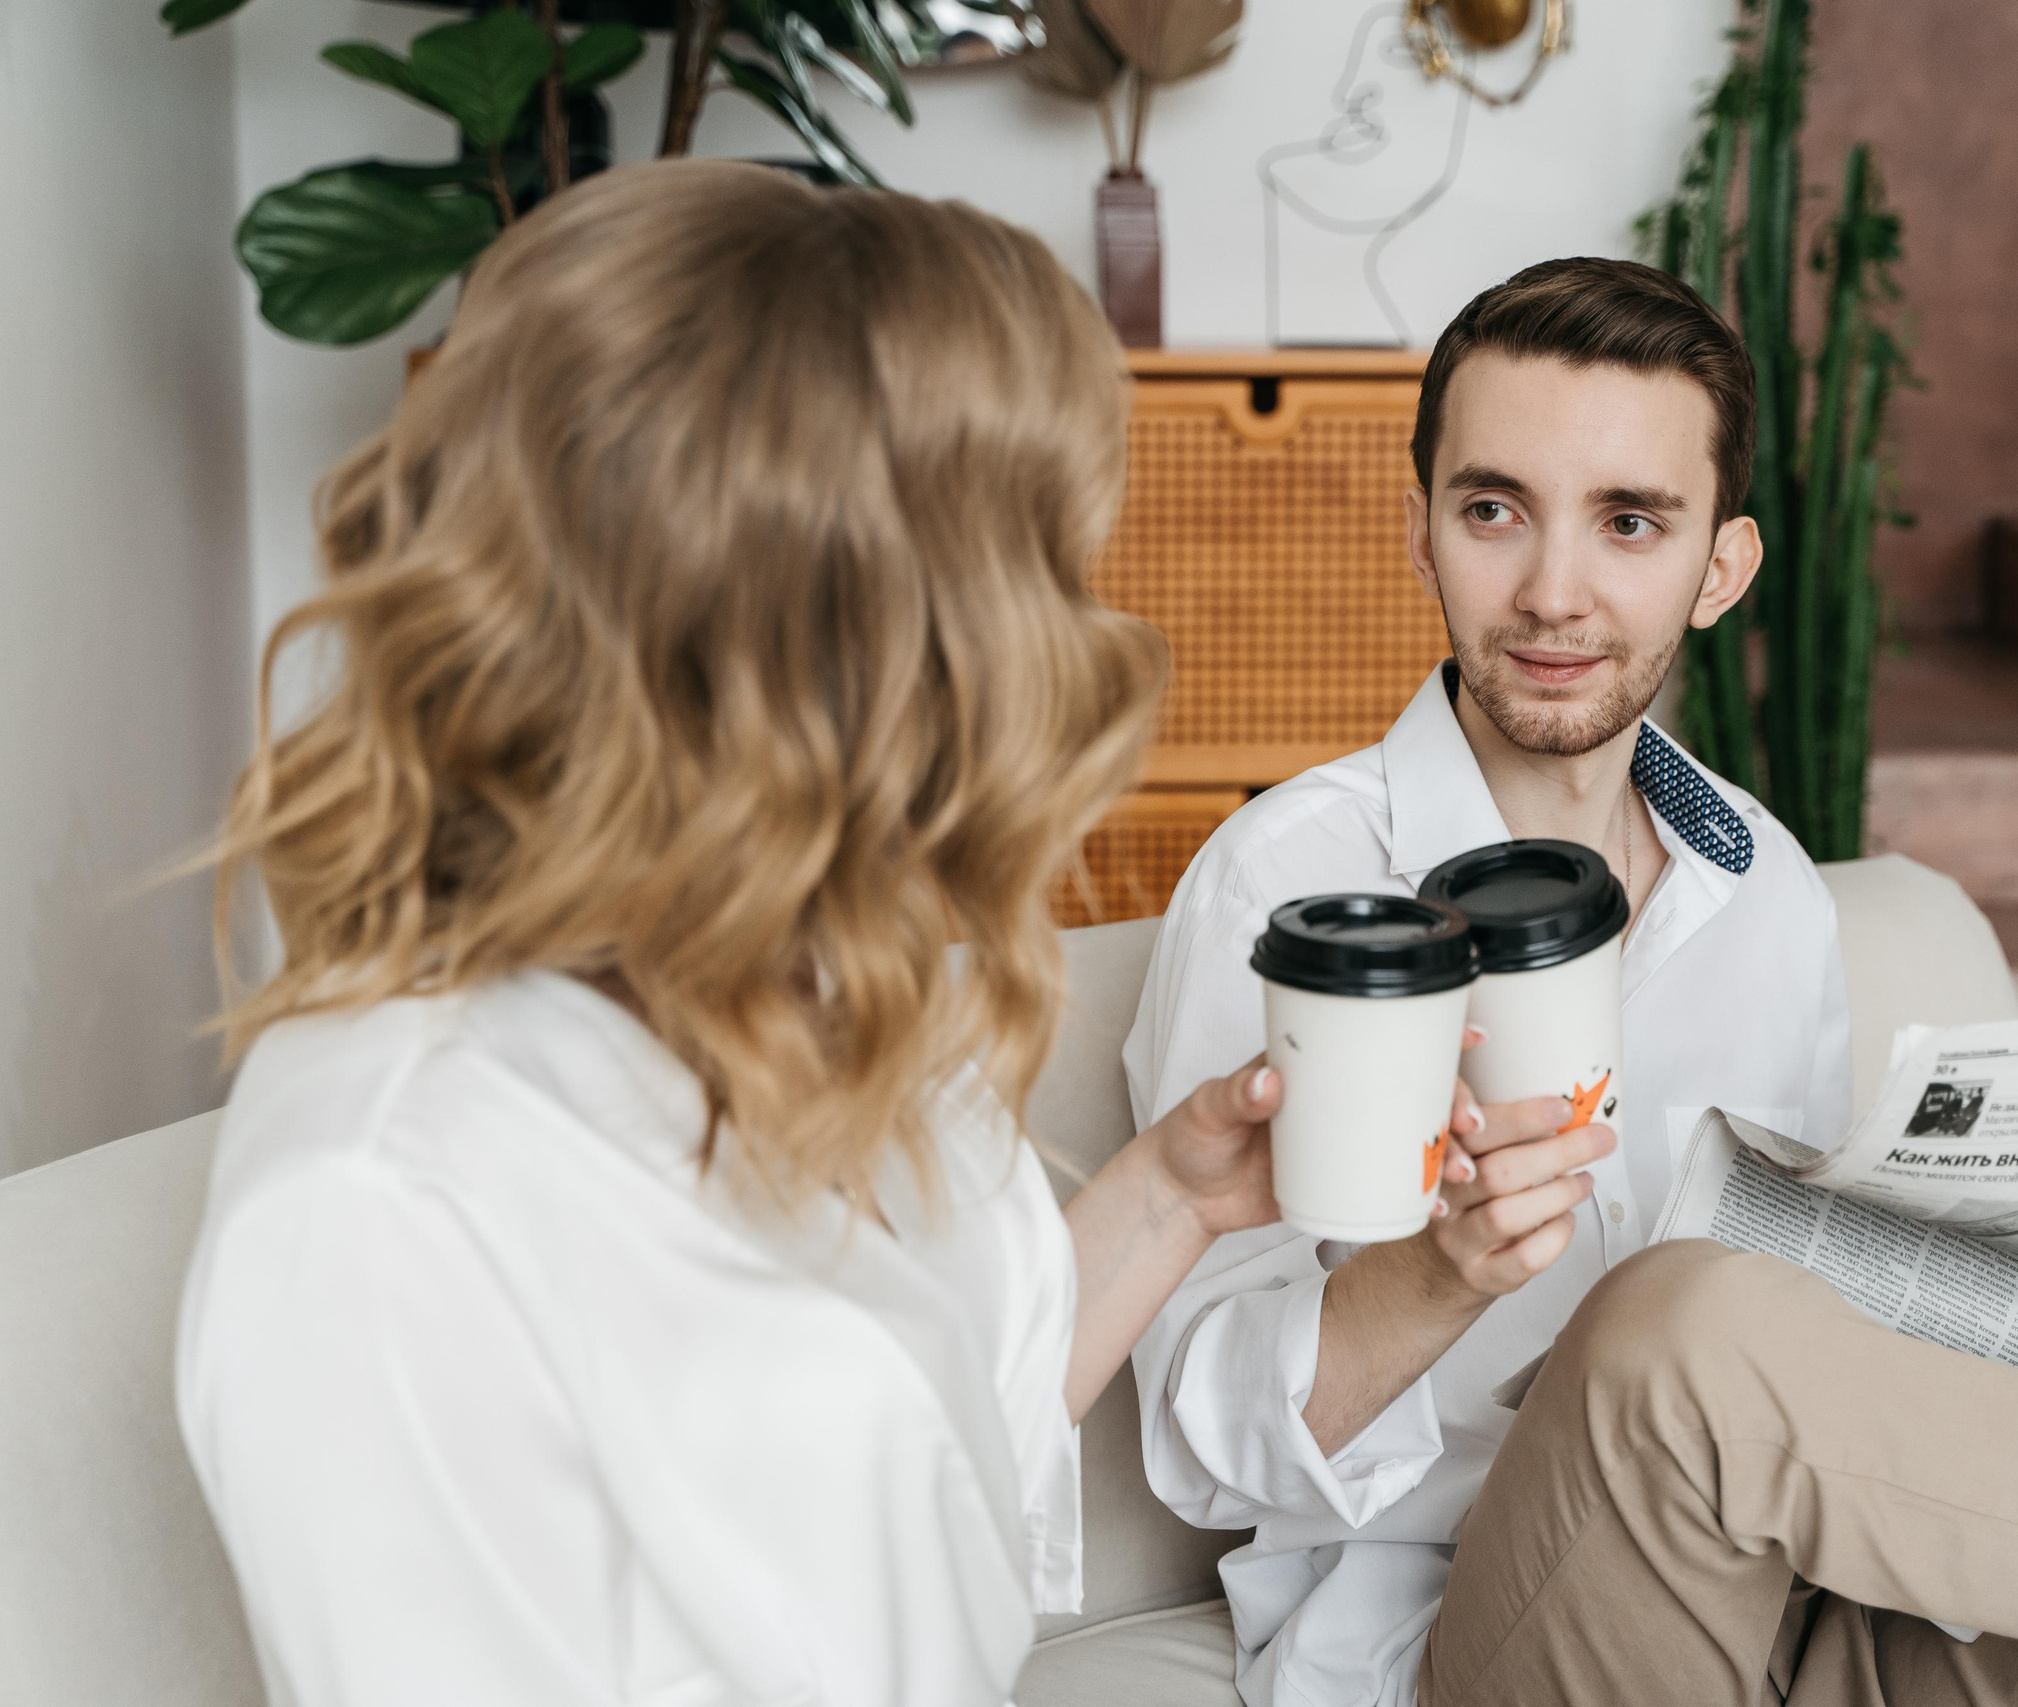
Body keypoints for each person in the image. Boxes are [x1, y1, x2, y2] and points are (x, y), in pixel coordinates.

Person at [1123, 258, 2018, 1707]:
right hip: (1461, 1634)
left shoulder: (1764, 884)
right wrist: (1438, 1275)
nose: (1554, 592)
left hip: (1800, 1592)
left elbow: (1815, 1344)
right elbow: (1197, 1453)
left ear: (1721, 569)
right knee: (1687, 1319)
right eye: (1494, 510)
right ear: (1421, 532)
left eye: (1630, 523)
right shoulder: (1291, 892)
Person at [174, 160, 1301, 1707]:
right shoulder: (390, 1206)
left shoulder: (817, 985)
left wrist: (1172, 1198)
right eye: (1038, 567)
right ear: (852, 638)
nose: (1080, 636)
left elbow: (932, 1474)